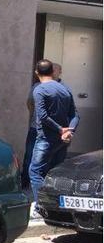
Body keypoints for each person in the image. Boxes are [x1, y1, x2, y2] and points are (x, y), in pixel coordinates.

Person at [28, 59, 80, 210]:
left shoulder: (39, 90)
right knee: (55, 173)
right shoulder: (65, 89)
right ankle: (57, 206)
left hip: (46, 139)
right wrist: (69, 130)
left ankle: (41, 207)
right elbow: (75, 115)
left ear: (37, 73)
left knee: (35, 171)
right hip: (63, 140)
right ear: (52, 71)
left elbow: (42, 116)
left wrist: (60, 129)